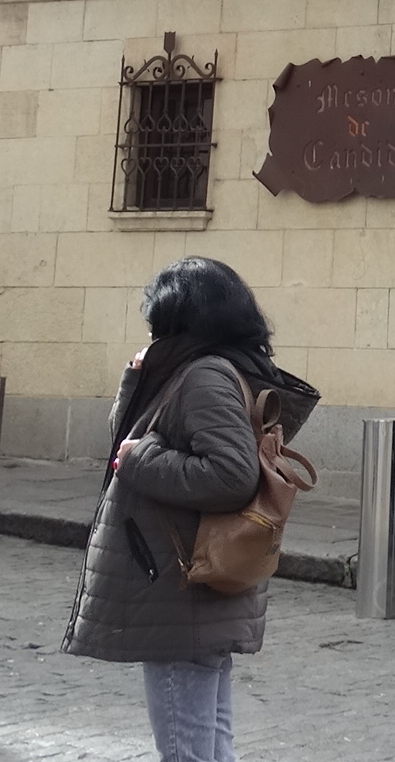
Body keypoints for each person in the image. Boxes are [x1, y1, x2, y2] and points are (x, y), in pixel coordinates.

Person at [68, 257, 315, 762]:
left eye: (158, 319)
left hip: (180, 585)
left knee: (186, 749)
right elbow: (129, 437)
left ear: (183, 318)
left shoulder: (205, 374)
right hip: (185, 587)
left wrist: (142, 460)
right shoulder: (200, 368)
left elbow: (230, 474)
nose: (152, 330)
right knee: (208, 741)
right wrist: (136, 382)